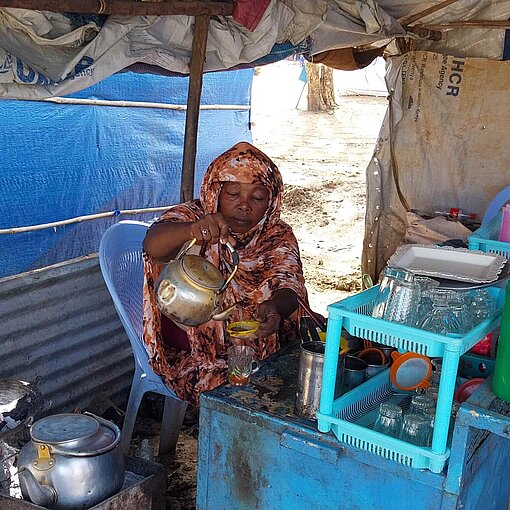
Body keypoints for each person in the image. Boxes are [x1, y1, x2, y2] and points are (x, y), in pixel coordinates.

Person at [142, 141, 307, 405]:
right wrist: (192, 230)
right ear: (215, 192)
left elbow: (290, 286)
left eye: (257, 197)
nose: (244, 206)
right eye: (233, 194)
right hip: (196, 354)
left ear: (272, 201)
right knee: (244, 398)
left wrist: (275, 309)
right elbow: (153, 245)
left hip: (262, 345)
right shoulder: (194, 215)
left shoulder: (277, 235)